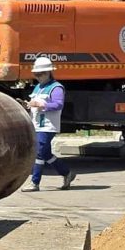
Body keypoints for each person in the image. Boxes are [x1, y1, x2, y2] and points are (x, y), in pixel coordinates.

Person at [22, 57, 76, 192]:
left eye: (41, 74)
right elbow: (34, 104)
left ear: (48, 72)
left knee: (39, 152)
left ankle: (34, 183)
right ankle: (67, 173)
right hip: (36, 124)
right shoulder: (38, 88)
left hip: (48, 126)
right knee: (45, 154)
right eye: (36, 74)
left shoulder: (56, 87)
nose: (38, 77)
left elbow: (58, 105)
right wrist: (28, 105)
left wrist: (42, 104)